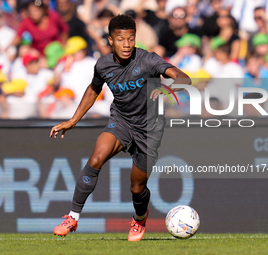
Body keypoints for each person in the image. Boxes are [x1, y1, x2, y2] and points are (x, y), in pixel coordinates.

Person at [50, 14, 191, 241]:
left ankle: (139, 218)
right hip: (122, 121)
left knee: (137, 187)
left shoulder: (148, 60)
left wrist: (167, 88)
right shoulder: (103, 65)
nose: (126, 44)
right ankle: (72, 217)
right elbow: (93, 89)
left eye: (131, 39)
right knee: (96, 158)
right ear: (110, 40)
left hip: (149, 130)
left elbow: (184, 78)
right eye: (120, 39)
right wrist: (73, 120)